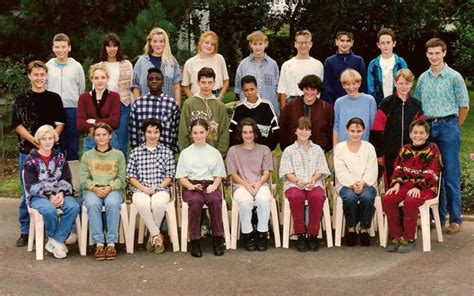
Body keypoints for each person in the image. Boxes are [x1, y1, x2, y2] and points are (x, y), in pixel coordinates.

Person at [414, 38, 470, 234]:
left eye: (437, 53)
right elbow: (419, 105)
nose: (434, 57)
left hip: (448, 125)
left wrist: (454, 126)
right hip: (429, 128)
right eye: (430, 53)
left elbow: (464, 105)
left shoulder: (454, 77)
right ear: (427, 54)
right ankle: (434, 217)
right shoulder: (422, 78)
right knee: (431, 174)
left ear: (444, 53)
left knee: (451, 175)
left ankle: (455, 219)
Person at [11, 60, 66, 247]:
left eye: (42, 74)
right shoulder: (22, 98)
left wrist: (50, 140)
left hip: (51, 153)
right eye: (36, 74)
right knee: (28, 191)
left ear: (46, 75)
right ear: (29, 76)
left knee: (51, 188)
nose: (39, 78)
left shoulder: (54, 98)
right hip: (28, 151)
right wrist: (34, 140)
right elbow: (17, 123)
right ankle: (26, 231)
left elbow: (61, 123)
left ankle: (52, 228)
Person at [383, 120, 443, 253]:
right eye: (415, 132)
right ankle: (396, 236)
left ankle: (409, 238)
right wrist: (397, 183)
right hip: (406, 185)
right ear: (410, 134)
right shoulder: (405, 149)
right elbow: (398, 168)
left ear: (427, 135)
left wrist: (418, 186)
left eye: (422, 133)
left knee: (410, 201)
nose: (418, 135)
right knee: (388, 199)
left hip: (427, 187)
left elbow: (432, 171)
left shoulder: (432, 149)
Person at [23, 125, 80, 259]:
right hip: (39, 196)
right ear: (38, 141)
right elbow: (31, 186)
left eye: (50, 138)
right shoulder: (30, 160)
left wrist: (61, 193)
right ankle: (57, 241)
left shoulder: (60, 157)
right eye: (44, 139)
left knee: (73, 206)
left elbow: (66, 178)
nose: (47, 142)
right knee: (49, 210)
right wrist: (50, 196)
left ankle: (55, 240)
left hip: (59, 194)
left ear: (55, 139)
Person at [176, 119, 227, 257]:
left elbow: (219, 175)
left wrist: (214, 186)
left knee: (216, 200)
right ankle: (195, 241)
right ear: (191, 134)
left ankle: (218, 239)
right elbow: (181, 177)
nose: (198, 136)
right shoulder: (186, 153)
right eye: (195, 133)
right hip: (191, 185)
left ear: (207, 132)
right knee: (196, 202)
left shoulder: (214, 152)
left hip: (210, 184)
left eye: (201, 132)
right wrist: (191, 186)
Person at [280, 117, 331, 252]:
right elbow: (286, 172)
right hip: (294, 183)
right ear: (295, 131)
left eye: (307, 129)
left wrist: (314, 179)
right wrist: (297, 181)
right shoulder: (289, 150)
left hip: (313, 182)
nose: (304, 132)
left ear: (311, 132)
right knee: (296, 196)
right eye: (300, 129)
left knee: (318, 196)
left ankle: (313, 233)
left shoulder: (318, 149)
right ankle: (301, 233)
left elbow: (322, 169)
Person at [127, 118, 175, 254]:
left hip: (161, 188)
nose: (153, 135)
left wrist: (157, 187)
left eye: (156, 132)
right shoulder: (136, 152)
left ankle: (151, 236)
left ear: (160, 133)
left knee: (158, 203)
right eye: (149, 132)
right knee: (142, 203)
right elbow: (130, 176)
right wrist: (143, 188)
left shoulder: (167, 152)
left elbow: (170, 176)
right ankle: (156, 235)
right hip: (140, 189)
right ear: (144, 133)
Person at [370, 69, 424, 188]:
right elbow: (376, 130)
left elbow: (423, 131)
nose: (404, 86)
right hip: (390, 155)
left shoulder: (417, 105)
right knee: (392, 187)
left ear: (412, 84)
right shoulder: (386, 103)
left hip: (412, 155)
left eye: (407, 83)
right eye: (401, 83)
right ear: (395, 83)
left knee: (409, 187)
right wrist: (379, 153)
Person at [80, 123, 126, 260]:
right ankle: (99, 243)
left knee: (112, 203)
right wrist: (94, 187)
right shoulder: (87, 155)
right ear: (93, 137)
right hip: (92, 189)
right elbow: (83, 179)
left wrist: (110, 187)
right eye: (98, 135)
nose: (101, 138)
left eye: (104, 134)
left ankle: (111, 243)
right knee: (93, 204)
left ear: (110, 136)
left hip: (113, 189)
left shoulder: (118, 155)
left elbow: (122, 178)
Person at [226, 118, 273, 251]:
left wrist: (258, 184)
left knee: (263, 199)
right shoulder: (233, 151)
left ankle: (262, 233)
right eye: (245, 132)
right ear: (240, 134)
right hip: (240, 185)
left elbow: (266, 173)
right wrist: (246, 185)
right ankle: (248, 234)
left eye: (251, 132)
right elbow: (233, 174)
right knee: (245, 201)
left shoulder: (264, 150)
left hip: (261, 184)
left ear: (255, 133)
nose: (248, 135)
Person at [334, 117, 378, 247]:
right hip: (345, 183)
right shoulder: (340, 148)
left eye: (358, 131)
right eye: (352, 130)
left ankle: (364, 229)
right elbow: (340, 169)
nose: (355, 134)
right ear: (347, 130)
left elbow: (372, 168)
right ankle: (351, 228)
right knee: (350, 197)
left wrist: (363, 183)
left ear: (363, 131)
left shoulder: (369, 147)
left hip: (367, 183)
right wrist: (352, 183)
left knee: (367, 196)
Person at [45, 33, 85, 161]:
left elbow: (81, 88)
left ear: (69, 48)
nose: (60, 50)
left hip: (72, 109)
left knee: (72, 146)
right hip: (53, 111)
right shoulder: (48, 66)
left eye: (63, 47)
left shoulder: (76, 66)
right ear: (53, 48)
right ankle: (56, 176)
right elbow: (44, 86)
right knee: (56, 145)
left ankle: (72, 177)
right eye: (57, 47)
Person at [179, 67, 229, 157]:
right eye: (203, 82)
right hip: (192, 154)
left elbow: (224, 132)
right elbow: (183, 130)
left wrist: (220, 154)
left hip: (213, 154)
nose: (206, 86)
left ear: (214, 83)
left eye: (210, 82)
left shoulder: (220, 106)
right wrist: (186, 153)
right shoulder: (189, 103)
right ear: (198, 82)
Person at [99, 33, 134, 157]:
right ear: (105, 48)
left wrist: (133, 106)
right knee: (107, 139)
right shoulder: (100, 65)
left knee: (122, 141)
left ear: (119, 47)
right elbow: (95, 90)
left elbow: (131, 87)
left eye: (114, 46)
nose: (111, 49)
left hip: (124, 105)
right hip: (106, 107)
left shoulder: (127, 64)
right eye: (108, 46)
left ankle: (123, 171)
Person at [129, 68, 180, 152]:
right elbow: (133, 129)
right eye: (150, 79)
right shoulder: (138, 104)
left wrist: (172, 150)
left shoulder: (171, 103)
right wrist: (136, 149)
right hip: (143, 152)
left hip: (166, 152)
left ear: (163, 82)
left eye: (158, 79)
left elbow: (175, 130)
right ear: (147, 82)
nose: (154, 81)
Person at [279, 74, 333, 152]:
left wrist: (325, 147)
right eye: (306, 89)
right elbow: (283, 129)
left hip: (318, 151)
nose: (309, 92)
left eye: (313, 89)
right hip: (294, 150)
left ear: (318, 90)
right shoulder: (290, 106)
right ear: (302, 89)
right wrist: (286, 148)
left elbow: (330, 130)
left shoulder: (326, 108)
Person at [77, 63, 120, 152]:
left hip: (110, 140)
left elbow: (115, 122)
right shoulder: (83, 97)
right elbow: (80, 124)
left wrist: (94, 121)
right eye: (96, 78)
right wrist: (106, 122)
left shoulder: (114, 96)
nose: (100, 81)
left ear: (108, 78)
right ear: (91, 79)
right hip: (90, 139)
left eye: (103, 77)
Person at [234, 30, 280, 115]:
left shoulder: (272, 64)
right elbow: (238, 88)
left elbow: (277, 87)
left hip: (268, 108)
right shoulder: (244, 64)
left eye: (260, 43)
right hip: (248, 108)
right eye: (255, 44)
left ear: (265, 44)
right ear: (250, 45)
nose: (258, 47)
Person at [132, 27, 182, 105]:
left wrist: (178, 107)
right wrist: (138, 105)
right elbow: (135, 86)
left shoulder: (171, 62)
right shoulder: (141, 61)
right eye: (155, 41)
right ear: (150, 43)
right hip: (146, 107)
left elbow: (176, 86)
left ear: (165, 43)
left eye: (161, 41)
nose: (158, 45)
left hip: (167, 107)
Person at [229, 75, 279, 150]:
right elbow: (231, 131)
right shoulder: (239, 108)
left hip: (263, 149)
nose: (249, 92)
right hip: (244, 150)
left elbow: (275, 129)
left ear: (257, 88)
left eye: (252, 89)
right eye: (246, 90)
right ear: (242, 91)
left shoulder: (267, 105)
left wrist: (269, 148)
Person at [278, 30, 324, 107]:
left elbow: (320, 89)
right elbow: (282, 91)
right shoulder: (287, 65)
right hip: (292, 102)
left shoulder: (318, 65)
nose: (303, 45)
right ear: (295, 44)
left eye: (306, 42)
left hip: (313, 102)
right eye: (300, 42)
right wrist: (283, 111)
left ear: (311, 44)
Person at [182, 31, 229, 101]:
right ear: (200, 44)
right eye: (207, 43)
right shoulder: (190, 63)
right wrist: (193, 100)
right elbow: (185, 85)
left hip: (216, 97)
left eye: (213, 44)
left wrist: (220, 97)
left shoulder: (219, 59)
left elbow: (226, 80)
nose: (209, 46)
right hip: (197, 98)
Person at [333, 69, 376, 145]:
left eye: (354, 83)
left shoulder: (370, 100)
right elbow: (336, 127)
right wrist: (335, 148)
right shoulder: (339, 102)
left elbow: (374, 126)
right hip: (344, 147)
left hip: (363, 146)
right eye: (348, 84)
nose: (351, 87)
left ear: (359, 83)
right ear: (343, 85)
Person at [322, 31, 366, 105]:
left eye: (348, 41)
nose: (345, 44)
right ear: (336, 42)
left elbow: (363, 85)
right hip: (335, 103)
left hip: (356, 102)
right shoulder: (329, 61)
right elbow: (327, 87)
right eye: (342, 40)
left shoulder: (358, 60)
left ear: (352, 43)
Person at [367, 28, 408, 106]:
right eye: (382, 43)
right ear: (378, 45)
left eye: (388, 42)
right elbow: (371, 88)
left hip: (398, 104)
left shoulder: (401, 63)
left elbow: (405, 84)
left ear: (394, 43)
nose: (385, 46)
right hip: (379, 105)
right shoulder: (373, 64)